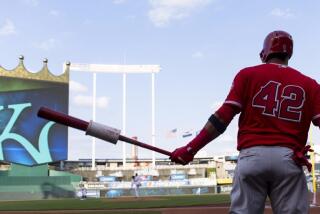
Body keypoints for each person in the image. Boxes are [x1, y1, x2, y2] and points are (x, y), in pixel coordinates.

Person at [170, 30, 320, 214]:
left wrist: (191, 148)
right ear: (290, 53)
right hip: (288, 159)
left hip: (252, 157)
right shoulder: (310, 84)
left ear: (264, 53)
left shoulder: (247, 74)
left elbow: (222, 117)